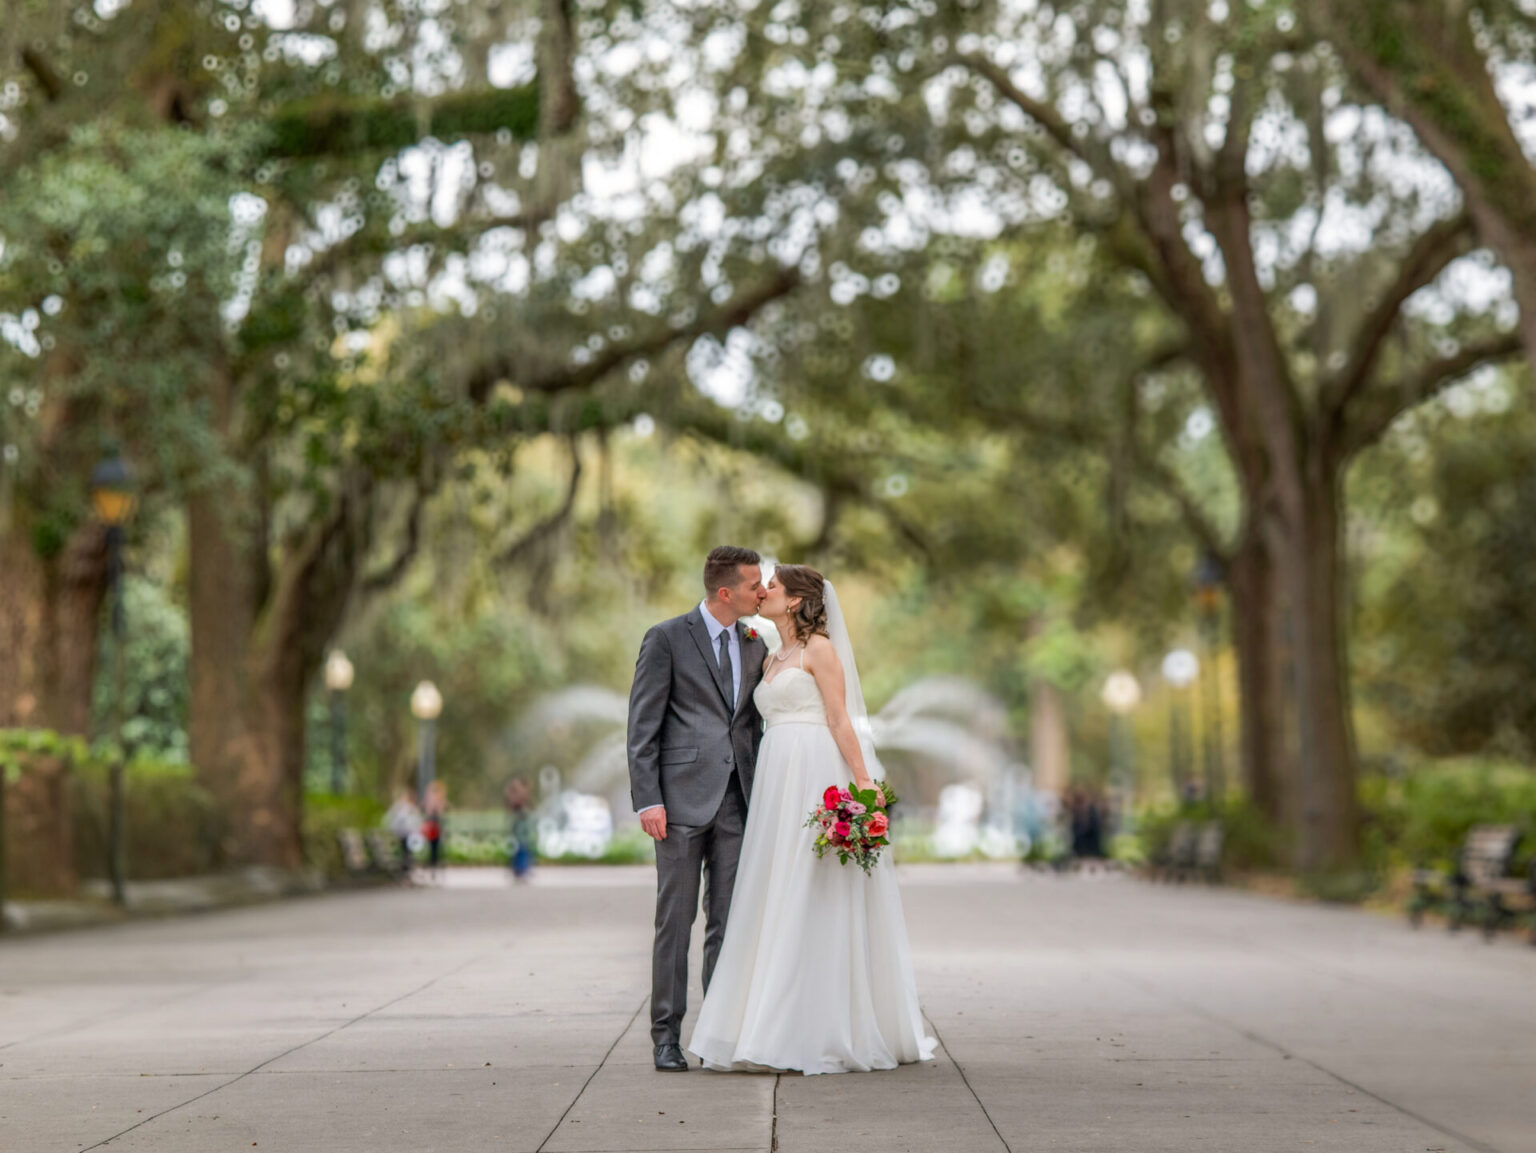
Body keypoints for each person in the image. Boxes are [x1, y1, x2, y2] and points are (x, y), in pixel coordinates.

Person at [687, 564, 936, 1075]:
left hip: (813, 770)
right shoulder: (770, 654)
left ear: (797, 601)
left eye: (772, 587)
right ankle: (756, 1022)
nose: (763, 591)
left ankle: (806, 1027)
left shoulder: (820, 649)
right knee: (771, 887)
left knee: (808, 886)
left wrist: (864, 783)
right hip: (775, 778)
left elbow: (839, 719)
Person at [626, 546, 768, 1073]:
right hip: (679, 804)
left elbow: (752, 725)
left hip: (739, 802)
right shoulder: (665, 638)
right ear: (725, 591)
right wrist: (649, 799)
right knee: (675, 922)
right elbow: (643, 725)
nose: (763, 591)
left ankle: (716, 1032)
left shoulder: (755, 644)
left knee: (727, 923)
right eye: (755, 584)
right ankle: (666, 1035)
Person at [504, 776, 537, 881]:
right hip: (519, 824)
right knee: (520, 847)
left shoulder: (519, 795)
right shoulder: (514, 796)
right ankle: (519, 869)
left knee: (524, 847)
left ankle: (522, 869)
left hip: (523, 824)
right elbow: (513, 807)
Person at [384, 788, 421, 878]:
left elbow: (416, 820)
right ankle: (405, 869)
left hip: (409, 835)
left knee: (408, 851)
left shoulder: (410, 808)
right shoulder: (399, 808)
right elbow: (392, 820)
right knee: (405, 851)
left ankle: (407, 868)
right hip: (402, 834)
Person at [422, 779, 448, 877]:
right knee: (431, 849)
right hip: (430, 830)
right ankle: (432, 866)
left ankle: (434, 867)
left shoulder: (439, 802)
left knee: (435, 850)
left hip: (436, 831)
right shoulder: (429, 802)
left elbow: (441, 811)